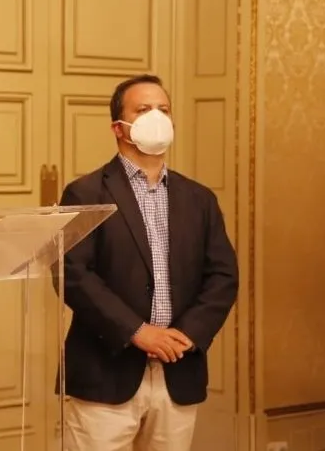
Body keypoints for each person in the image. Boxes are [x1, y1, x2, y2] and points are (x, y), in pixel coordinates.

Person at [57, 74, 239, 451]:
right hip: (106, 375)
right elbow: (72, 275)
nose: (156, 116)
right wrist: (138, 331)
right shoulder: (85, 192)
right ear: (118, 128)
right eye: (143, 109)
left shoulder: (199, 199)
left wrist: (187, 335)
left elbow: (223, 275)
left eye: (164, 109)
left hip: (178, 370)